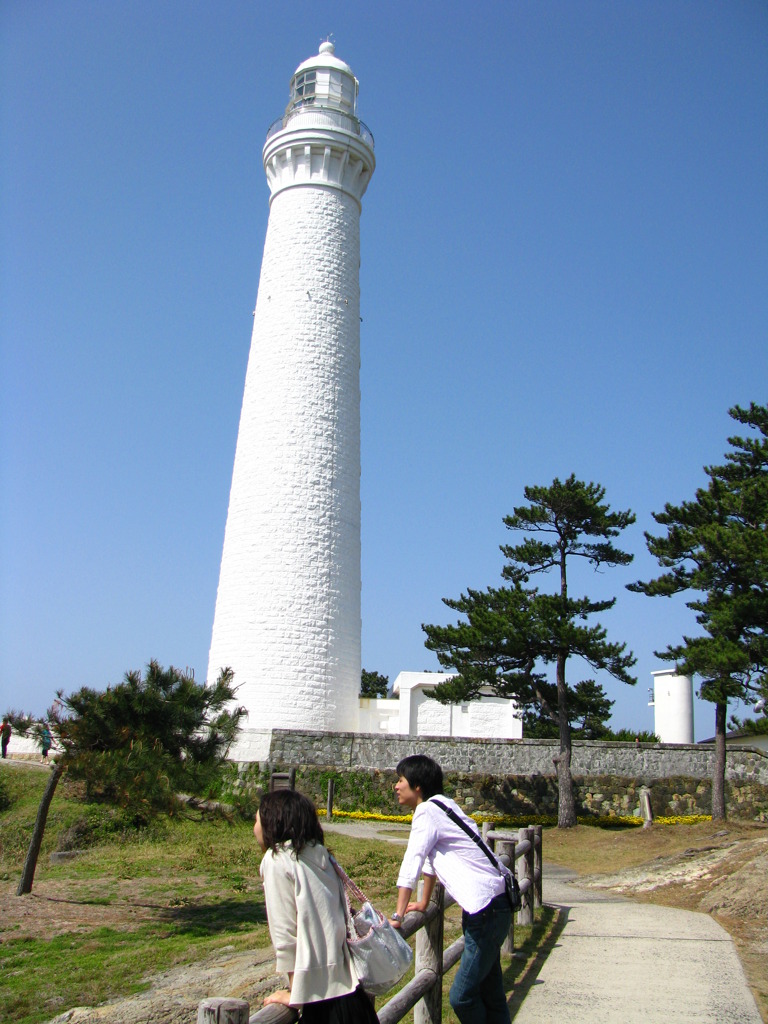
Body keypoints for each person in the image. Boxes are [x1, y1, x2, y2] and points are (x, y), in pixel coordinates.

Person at [389, 754, 512, 1024]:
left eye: (400, 780)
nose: (396, 786)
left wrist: (398, 916)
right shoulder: (444, 805)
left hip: (485, 910)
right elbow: (432, 862)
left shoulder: (425, 812)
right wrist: (423, 902)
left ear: (417, 786)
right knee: (492, 995)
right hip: (494, 905)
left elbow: (412, 862)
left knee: (461, 997)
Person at [254, 789, 379, 1023]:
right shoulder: (320, 854)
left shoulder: (276, 860)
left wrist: (295, 993)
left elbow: (285, 937)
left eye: (256, 820)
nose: (254, 828)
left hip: (322, 1004)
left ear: (274, 822)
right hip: (353, 999)